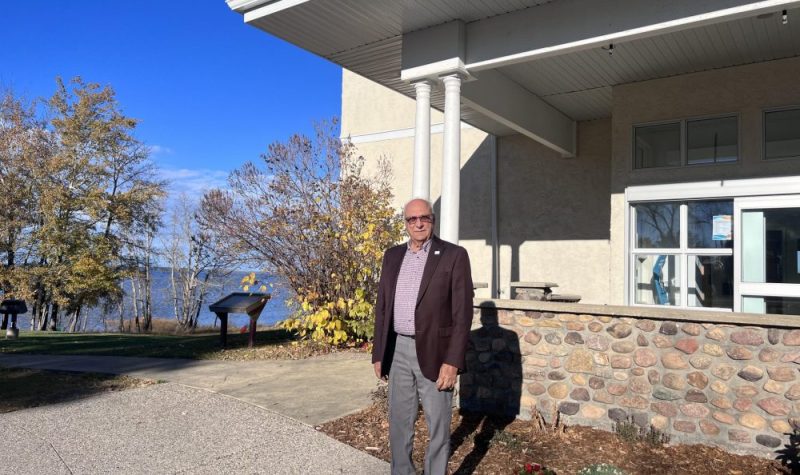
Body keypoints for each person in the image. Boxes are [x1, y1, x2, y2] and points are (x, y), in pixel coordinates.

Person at [372, 198, 474, 475]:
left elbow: (463, 315)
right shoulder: (392, 256)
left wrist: (452, 362)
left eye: (424, 218)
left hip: (436, 353)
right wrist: (379, 353)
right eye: (412, 219)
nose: (418, 223)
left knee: (439, 426)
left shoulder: (454, 255)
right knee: (399, 424)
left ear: (433, 220)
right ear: (405, 223)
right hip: (397, 350)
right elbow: (382, 307)